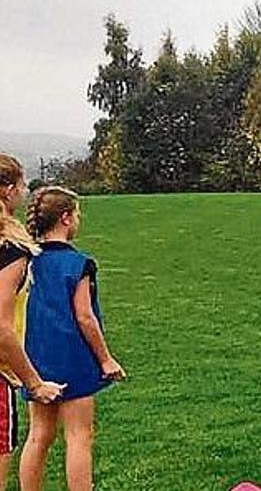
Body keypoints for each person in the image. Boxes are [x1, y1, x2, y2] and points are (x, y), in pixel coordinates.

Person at [19, 187, 126, 491]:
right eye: (77, 214)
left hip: (35, 358)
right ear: (66, 218)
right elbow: (84, 316)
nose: (78, 219)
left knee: (39, 435)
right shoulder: (79, 264)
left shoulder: (27, 261)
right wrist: (105, 359)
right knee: (79, 436)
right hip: (73, 357)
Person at [0, 155, 64, 491]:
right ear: (9, 191)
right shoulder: (11, 250)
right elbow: (1, 326)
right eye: (22, 185)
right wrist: (33, 383)